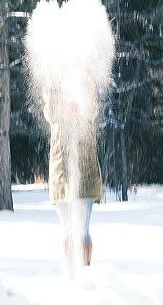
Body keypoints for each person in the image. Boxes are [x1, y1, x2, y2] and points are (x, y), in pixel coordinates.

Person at [43, 87, 102, 271]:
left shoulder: (87, 94)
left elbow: (92, 109)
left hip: (85, 175)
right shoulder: (55, 106)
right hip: (60, 176)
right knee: (68, 231)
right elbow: (50, 110)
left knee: (82, 230)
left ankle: (85, 272)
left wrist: (80, 102)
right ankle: (72, 273)